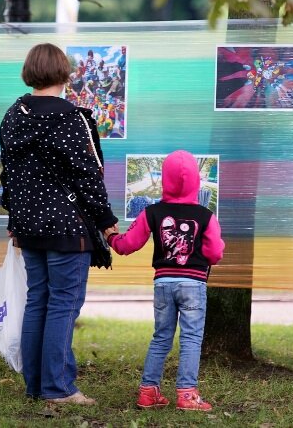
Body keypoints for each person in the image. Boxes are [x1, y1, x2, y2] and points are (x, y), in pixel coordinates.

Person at [0, 43, 118, 406]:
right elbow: (88, 178)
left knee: (39, 301)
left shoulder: (12, 116)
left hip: (28, 226)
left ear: (29, 72)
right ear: (65, 74)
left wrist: (13, 217)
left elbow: (11, 176)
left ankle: (36, 386)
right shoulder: (73, 119)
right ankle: (59, 389)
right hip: (68, 227)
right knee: (63, 303)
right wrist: (107, 224)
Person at [106, 150, 225, 411]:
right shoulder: (206, 216)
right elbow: (215, 253)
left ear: (165, 181)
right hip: (193, 283)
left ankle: (148, 393)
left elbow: (127, 245)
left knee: (161, 337)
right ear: (196, 181)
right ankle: (187, 395)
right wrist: (202, 252)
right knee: (191, 339)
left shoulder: (153, 212)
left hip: (163, 283)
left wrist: (111, 237)